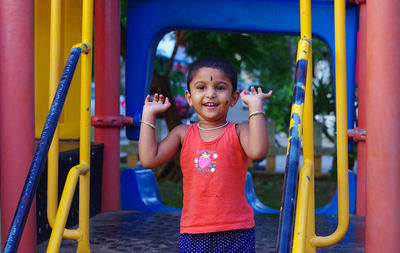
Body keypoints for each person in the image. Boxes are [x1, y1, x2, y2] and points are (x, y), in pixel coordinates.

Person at [139, 57, 272, 252]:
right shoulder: (182, 133)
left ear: (234, 98)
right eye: (201, 87)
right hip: (194, 231)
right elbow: (149, 159)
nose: (210, 94)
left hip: (236, 229)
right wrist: (148, 115)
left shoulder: (239, 131)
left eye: (219, 87)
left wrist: (255, 107)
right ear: (189, 97)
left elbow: (258, 152)